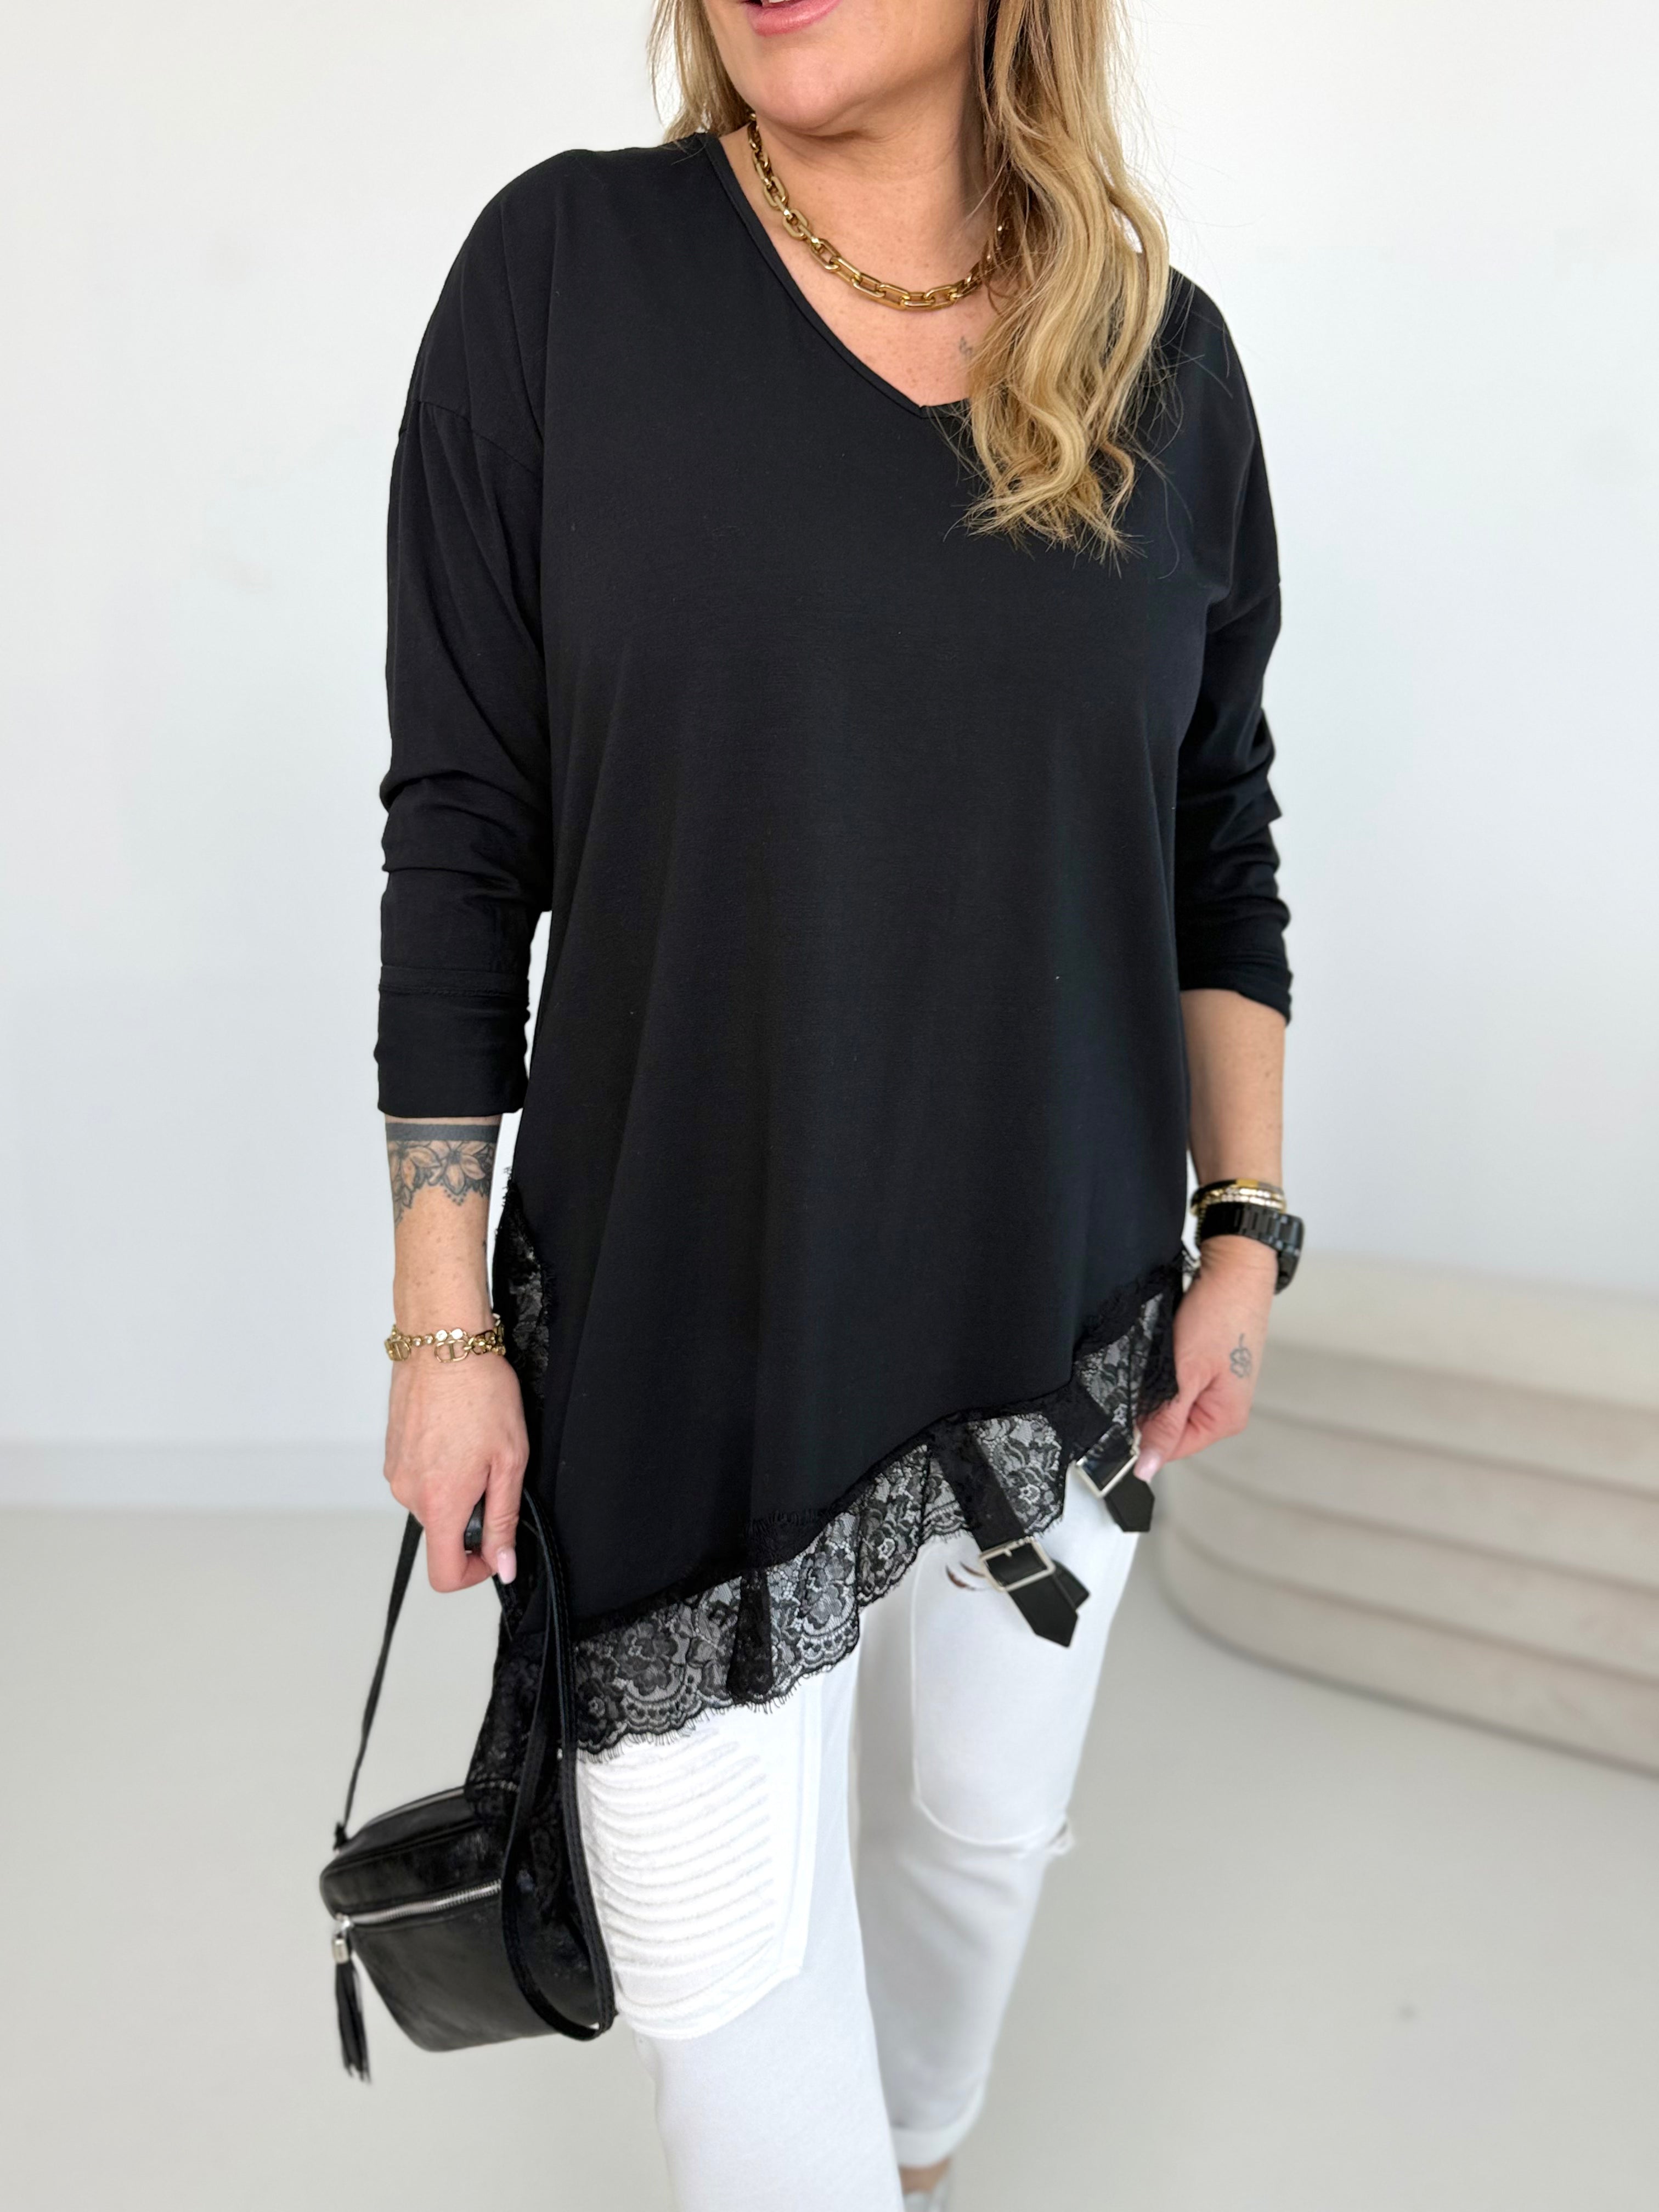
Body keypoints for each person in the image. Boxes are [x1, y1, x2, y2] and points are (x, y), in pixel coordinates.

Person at [376, 2, 1296, 2204]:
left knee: (983, 1837)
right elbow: (464, 832)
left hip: (1062, 1298)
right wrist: (443, 1318)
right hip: (689, 1311)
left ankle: (925, 2151)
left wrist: (1245, 1220)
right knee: (722, 1978)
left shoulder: (1166, 367)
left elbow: (1217, 834)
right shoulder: (564, 282)